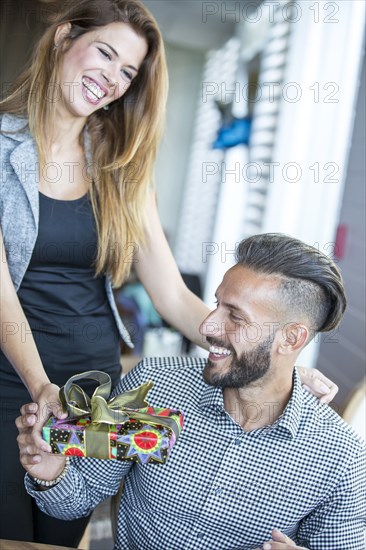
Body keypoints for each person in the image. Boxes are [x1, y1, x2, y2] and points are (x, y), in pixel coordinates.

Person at [0, 0, 336, 544]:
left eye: (126, 71)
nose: (110, 79)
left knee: (62, 527)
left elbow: (172, 295)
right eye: (104, 53)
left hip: (95, 385)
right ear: (64, 37)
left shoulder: (119, 164)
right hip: (13, 377)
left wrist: (276, 367)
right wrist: (41, 386)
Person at [17, 233, 366, 550]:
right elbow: (82, 496)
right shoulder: (154, 389)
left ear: (291, 338)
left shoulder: (338, 457)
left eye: (235, 317)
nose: (207, 325)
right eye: (216, 304)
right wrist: (52, 474)